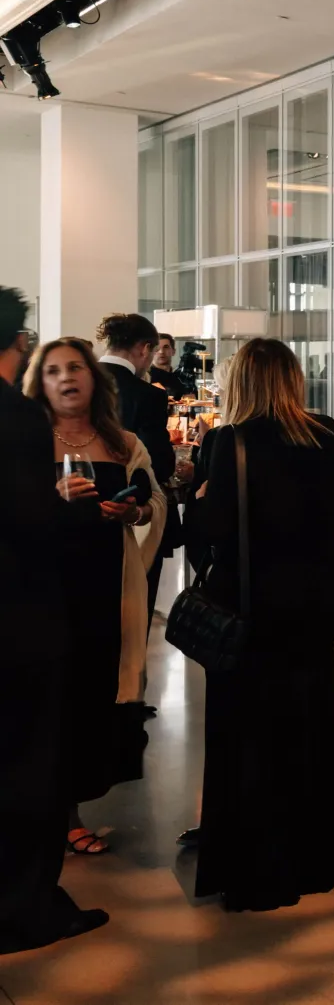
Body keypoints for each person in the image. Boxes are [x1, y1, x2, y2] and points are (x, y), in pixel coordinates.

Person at [189, 339, 334, 911]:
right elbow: (331, 516)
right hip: (313, 605)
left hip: (251, 609)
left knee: (250, 738)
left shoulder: (227, 441)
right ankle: (314, 857)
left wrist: (199, 495)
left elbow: (212, 529)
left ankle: (259, 867)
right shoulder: (329, 436)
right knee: (307, 729)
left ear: (241, 382)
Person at [0, 291, 110, 952]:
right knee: (27, 769)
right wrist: (77, 510)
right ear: (16, 345)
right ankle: (25, 908)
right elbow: (29, 526)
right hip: (22, 623)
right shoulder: (16, 420)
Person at [24, 338, 162, 857]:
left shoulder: (122, 442)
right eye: (53, 370)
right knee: (46, 700)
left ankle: (71, 809)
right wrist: (50, 498)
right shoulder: (27, 441)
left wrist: (135, 513)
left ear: (93, 377)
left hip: (106, 588)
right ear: (39, 382)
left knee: (90, 697)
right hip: (45, 590)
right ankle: (44, 814)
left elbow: (155, 500)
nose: (66, 378)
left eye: (75, 367)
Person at [96, 313, 178, 628]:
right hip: (132, 513)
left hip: (79, 510)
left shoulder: (83, 383)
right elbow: (158, 462)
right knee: (133, 618)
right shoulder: (148, 395)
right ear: (144, 349)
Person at [149, 334, 194, 402]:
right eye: (157, 348)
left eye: (166, 347)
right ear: (151, 352)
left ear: (173, 351)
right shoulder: (146, 377)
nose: (161, 352)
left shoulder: (179, 377)